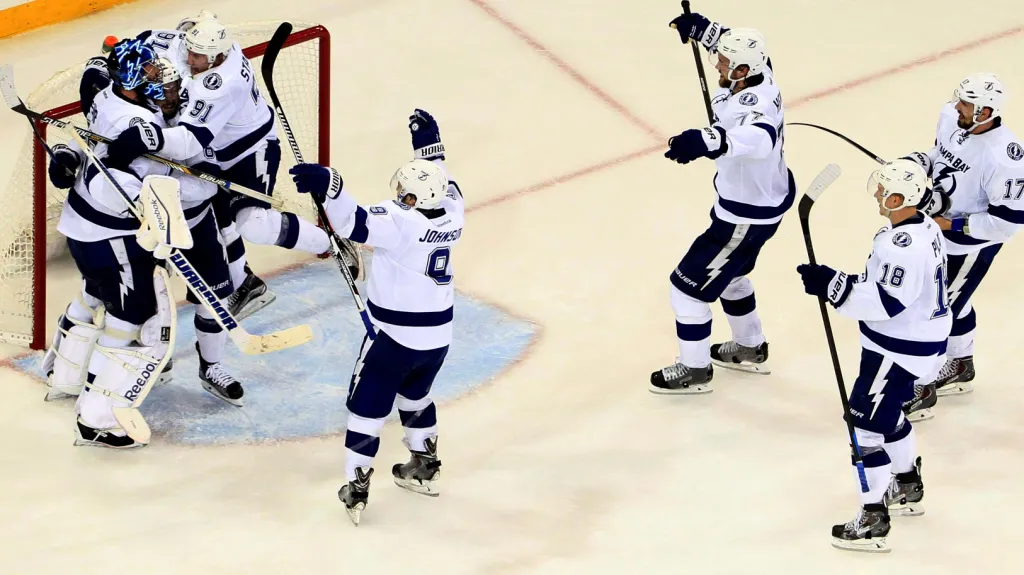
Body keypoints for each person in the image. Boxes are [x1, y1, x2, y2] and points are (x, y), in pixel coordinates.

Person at [44, 39, 241, 447]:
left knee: (95, 293)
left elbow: (93, 75)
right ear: (132, 81)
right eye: (150, 71)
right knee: (134, 312)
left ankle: (64, 374)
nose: (159, 76)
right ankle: (97, 418)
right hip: (109, 233)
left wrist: (66, 154)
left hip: (85, 227)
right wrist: (199, 188)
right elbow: (149, 191)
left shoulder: (108, 95)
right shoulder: (130, 126)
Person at [289, 109, 461, 525]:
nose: (399, 193)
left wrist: (332, 185)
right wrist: (429, 148)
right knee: (416, 396)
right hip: (438, 337)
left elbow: (353, 223)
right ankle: (424, 466)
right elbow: (441, 178)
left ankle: (357, 485)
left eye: (406, 190)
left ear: (413, 200)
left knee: (366, 408)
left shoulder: (400, 222)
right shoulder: (454, 211)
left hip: (393, 338)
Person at [103, 15, 333, 320]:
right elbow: (144, 39)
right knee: (215, 215)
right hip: (213, 151)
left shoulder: (220, 85)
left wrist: (148, 137)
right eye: (189, 50)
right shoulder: (194, 46)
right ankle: (243, 285)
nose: (189, 58)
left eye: (197, 56)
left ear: (217, 57)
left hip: (248, 153)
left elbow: (189, 142)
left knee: (252, 223)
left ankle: (330, 241)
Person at [796, 159, 952, 552]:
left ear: (901, 198)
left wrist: (831, 285)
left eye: (884, 191)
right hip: (912, 342)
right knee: (890, 415)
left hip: (897, 348)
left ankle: (873, 517)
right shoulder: (923, 225)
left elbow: (887, 302)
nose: (878, 195)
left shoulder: (904, 246)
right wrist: (839, 283)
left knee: (863, 426)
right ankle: (907, 484)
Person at [650, 11, 794, 394]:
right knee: (732, 276)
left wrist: (708, 141)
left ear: (743, 70)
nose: (719, 62)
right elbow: (730, 42)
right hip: (755, 204)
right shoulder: (757, 72)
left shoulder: (755, 105)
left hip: (745, 215)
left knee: (685, 289)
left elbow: (760, 138)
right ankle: (750, 345)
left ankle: (695, 369)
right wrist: (704, 30)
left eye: (727, 62)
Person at [900, 73, 1024, 403]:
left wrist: (950, 225)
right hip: (935, 230)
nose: (958, 106)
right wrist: (915, 163)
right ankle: (960, 364)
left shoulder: (1006, 159)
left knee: (934, 309)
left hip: (969, 246)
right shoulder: (951, 117)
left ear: (985, 112)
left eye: (967, 103)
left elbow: (1008, 222)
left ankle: (920, 389)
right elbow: (940, 153)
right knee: (955, 299)